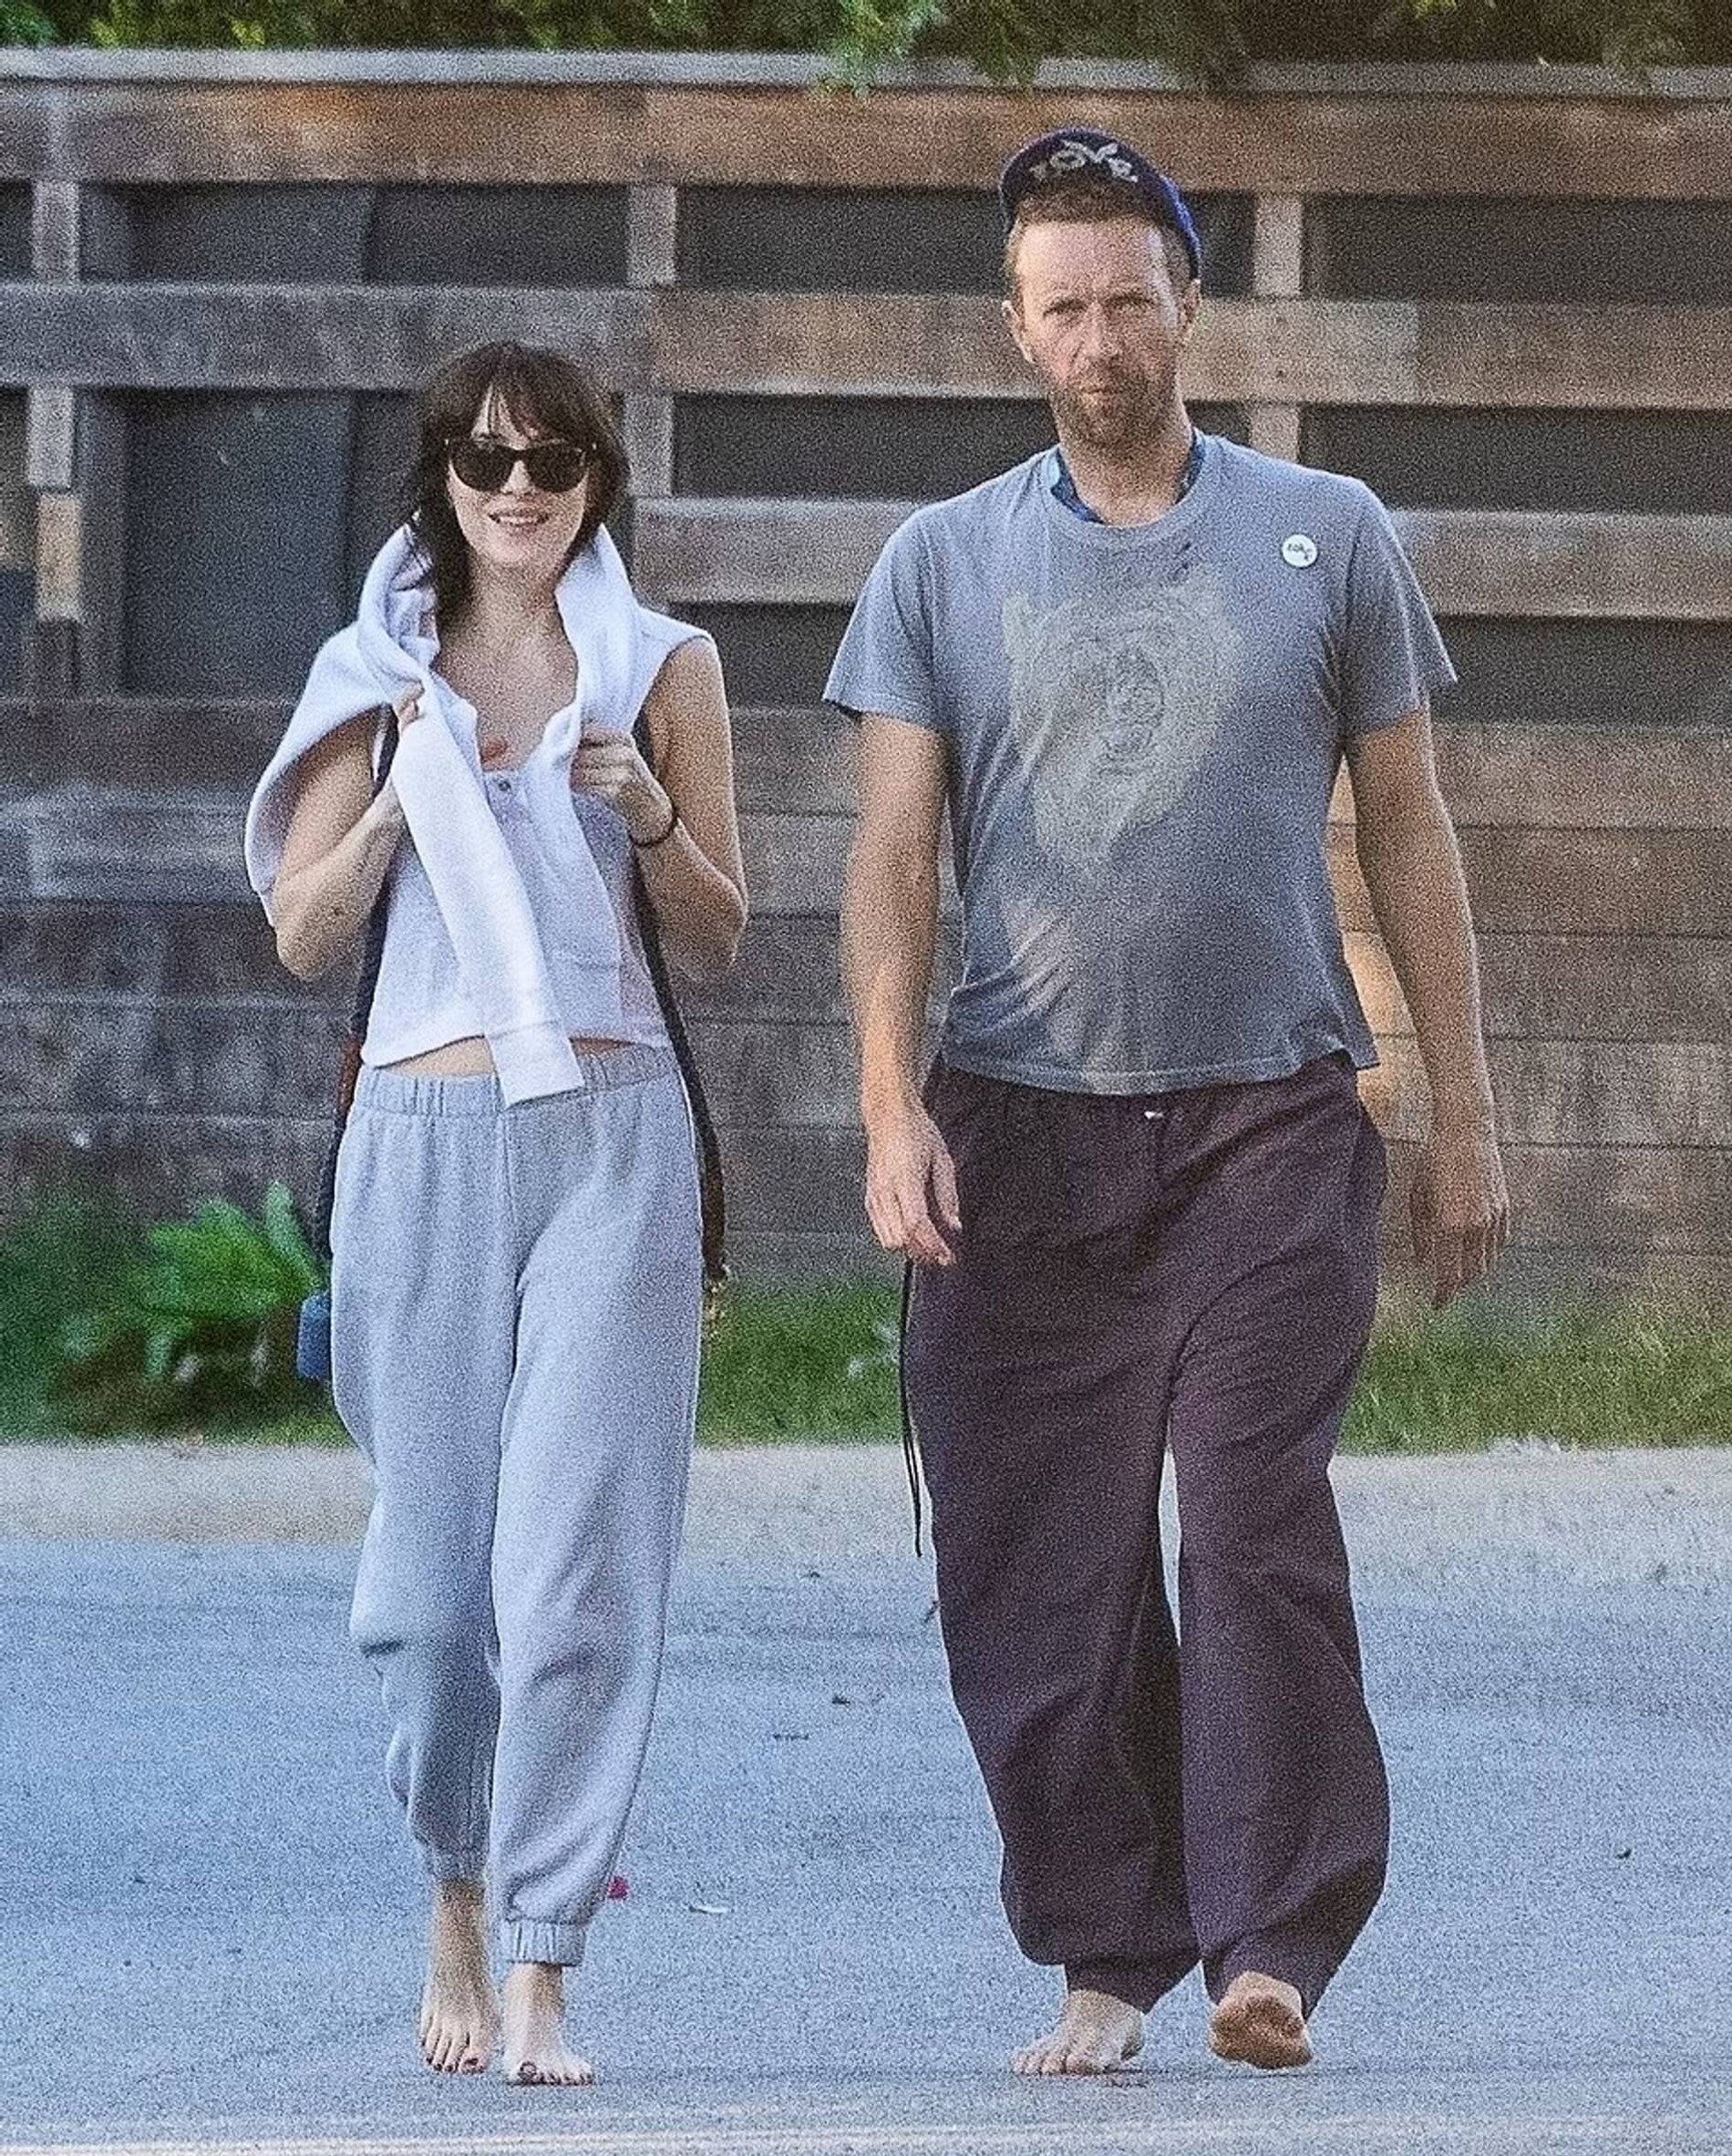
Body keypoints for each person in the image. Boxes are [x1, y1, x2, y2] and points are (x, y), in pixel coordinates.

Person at [828, 129, 1508, 2078]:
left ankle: (1267, 1939)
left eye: (1129, 299)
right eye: (1063, 308)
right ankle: (1107, 1947)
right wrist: (887, 1107)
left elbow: (1409, 827)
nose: (1100, 339)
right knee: (1034, 1565)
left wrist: (1463, 1113)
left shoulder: (1327, 531)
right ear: (1014, 327)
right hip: (1018, 1123)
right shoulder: (941, 561)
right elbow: (890, 858)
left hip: (1268, 1122)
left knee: (1250, 1513)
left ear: (1188, 301)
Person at [243, 341, 747, 2085]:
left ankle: (544, 1951)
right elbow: (302, 932)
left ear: (597, 479)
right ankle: (452, 1881)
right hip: (426, 1131)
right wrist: (400, 800)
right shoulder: (372, 675)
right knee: (431, 1599)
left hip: (612, 1135)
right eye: (484, 461)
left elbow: (721, 930)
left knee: (577, 1571)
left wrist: (649, 809)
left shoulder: (663, 665)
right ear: (442, 480)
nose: (518, 490)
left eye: (551, 462)